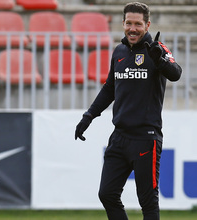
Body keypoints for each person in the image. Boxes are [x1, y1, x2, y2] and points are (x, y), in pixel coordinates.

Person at [74, 2, 182, 220]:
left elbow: (176, 73)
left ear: (147, 25)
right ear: (123, 24)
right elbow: (109, 89)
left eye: (138, 24)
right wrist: (88, 116)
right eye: (129, 23)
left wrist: (159, 59)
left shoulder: (157, 49)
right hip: (119, 137)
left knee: (148, 203)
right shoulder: (119, 51)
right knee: (107, 194)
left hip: (146, 138)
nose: (133, 28)